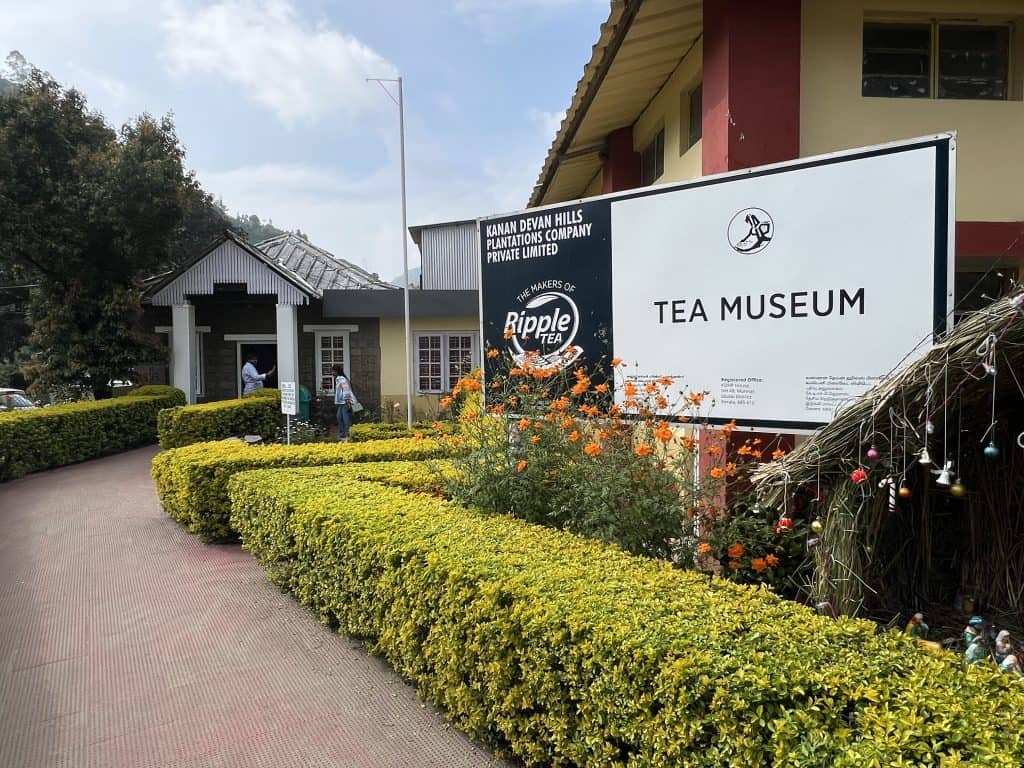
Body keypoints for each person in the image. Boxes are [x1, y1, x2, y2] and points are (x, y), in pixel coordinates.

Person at [332, 363, 356, 441]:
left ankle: (347, 433)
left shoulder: (341, 378)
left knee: (345, 418)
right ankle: (343, 433)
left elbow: (346, 389)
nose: (332, 373)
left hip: (345, 401)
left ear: (336, 371)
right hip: (342, 402)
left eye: (333, 371)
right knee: (339, 417)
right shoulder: (341, 378)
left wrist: (347, 400)